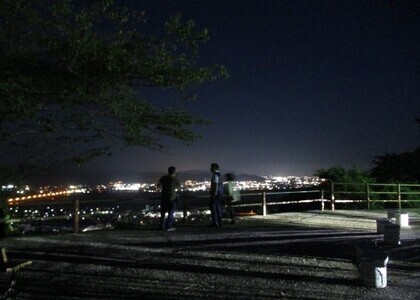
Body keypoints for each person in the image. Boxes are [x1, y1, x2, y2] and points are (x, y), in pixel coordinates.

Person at [158, 166, 181, 231]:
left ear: (168, 171)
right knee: (171, 213)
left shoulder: (163, 178)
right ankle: (168, 227)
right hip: (172, 198)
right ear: (174, 171)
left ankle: (161, 226)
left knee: (163, 213)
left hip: (164, 197)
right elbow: (179, 188)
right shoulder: (175, 179)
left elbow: (158, 185)